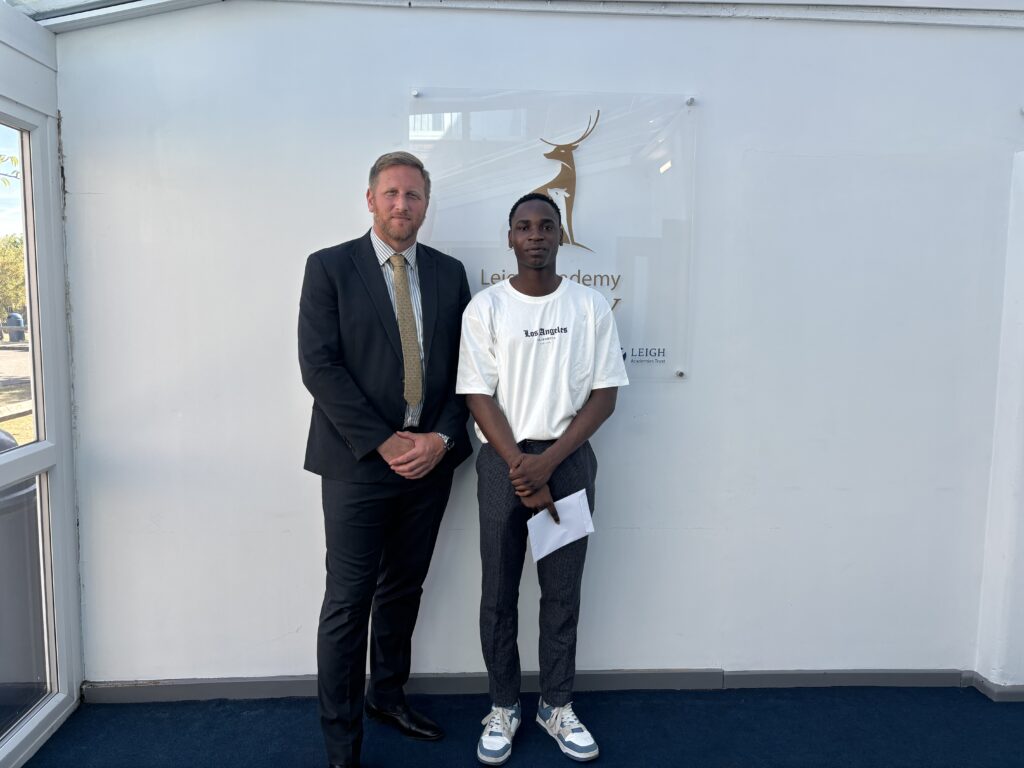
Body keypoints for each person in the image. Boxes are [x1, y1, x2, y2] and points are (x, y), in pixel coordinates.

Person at [299, 151, 472, 768]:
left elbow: (467, 373)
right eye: (392, 194)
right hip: (357, 464)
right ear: (370, 199)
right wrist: (383, 440)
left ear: (427, 204)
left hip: (430, 464)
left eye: (414, 196)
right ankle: (342, 742)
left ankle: (387, 696)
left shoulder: (451, 274)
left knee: (403, 587)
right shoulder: (329, 268)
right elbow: (319, 367)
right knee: (348, 603)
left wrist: (441, 441)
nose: (403, 205)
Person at [456, 192, 629, 765]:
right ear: (509, 238)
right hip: (502, 464)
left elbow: (604, 396)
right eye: (524, 226)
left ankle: (555, 704)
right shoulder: (485, 308)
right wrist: (518, 466)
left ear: (560, 236)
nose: (535, 235)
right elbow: (478, 393)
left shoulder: (588, 306)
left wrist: (548, 463)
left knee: (562, 593)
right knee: (499, 593)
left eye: (546, 226)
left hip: (568, 463)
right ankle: (503, 705)